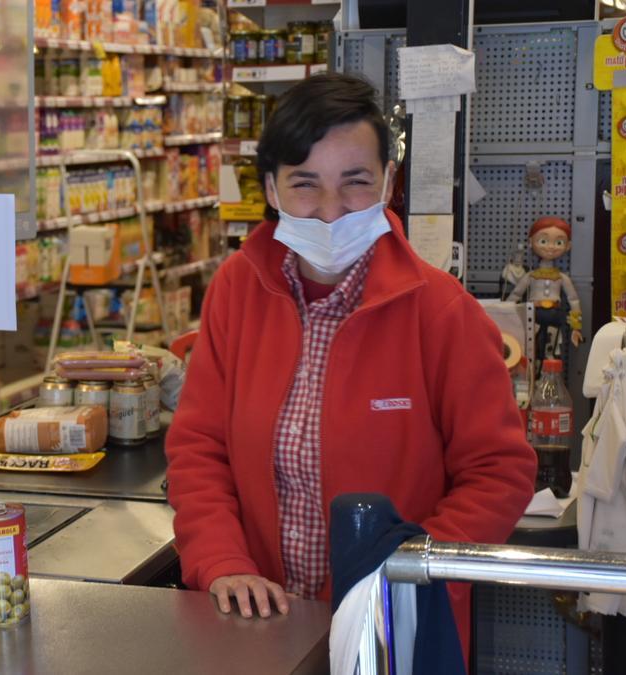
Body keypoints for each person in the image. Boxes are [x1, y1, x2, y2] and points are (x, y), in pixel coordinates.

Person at [164, 73, 536, 653]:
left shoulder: (439, 310)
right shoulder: (238, 289)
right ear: (271, 187)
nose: (332, 211)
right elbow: (198, 447)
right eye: (305, 184)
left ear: (388, 182)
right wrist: (221, 562)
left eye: (356, 182)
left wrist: (401, 577)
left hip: (396, 630)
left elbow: (499, 472)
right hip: (259, 626)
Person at [507, 216, 584, 363]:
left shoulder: (561, 278)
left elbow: (573, 300)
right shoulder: (531, 276)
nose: (550, 247)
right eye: (543, 241)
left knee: (551, 349)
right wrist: (506, 314)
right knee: (531, 348)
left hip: (554, 315)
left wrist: (576, 327)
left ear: (568, 246)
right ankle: (532, 376)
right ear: (531, 242)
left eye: (559, 242)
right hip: (532, 315)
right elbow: (516, 295)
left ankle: (547, 379)